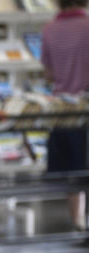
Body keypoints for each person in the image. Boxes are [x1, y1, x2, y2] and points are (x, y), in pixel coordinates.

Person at [41, 0, 89, 230]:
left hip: (61, 114)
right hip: (85, 111)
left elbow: (49, 74)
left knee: (72, 178)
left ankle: (78, 223)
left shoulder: (49, 29)